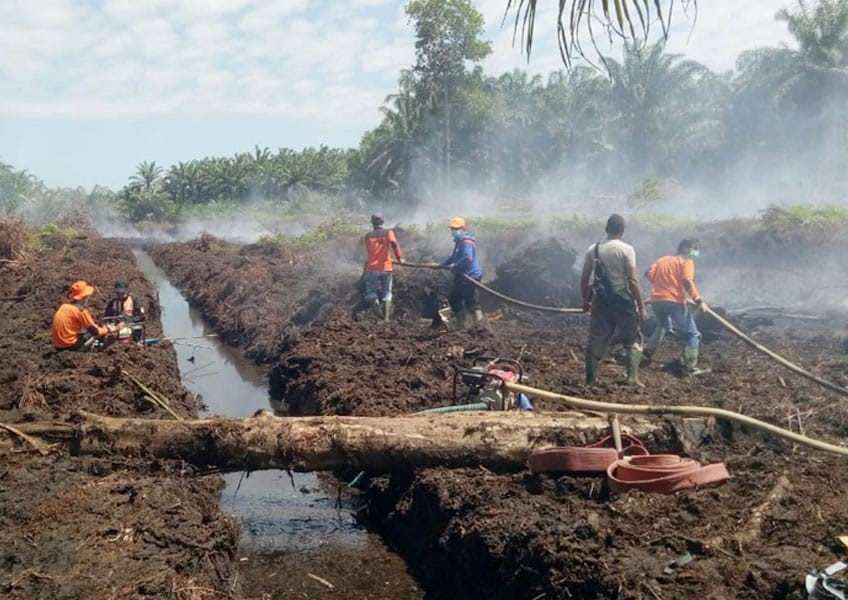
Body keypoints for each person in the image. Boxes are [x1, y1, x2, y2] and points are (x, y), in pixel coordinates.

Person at [580, 214, 648, 386]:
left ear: (606, 229)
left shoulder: (592, 249)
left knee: (596, 338)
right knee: (633, 337)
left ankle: (591, 380)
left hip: (600, 301)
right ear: (622, 231)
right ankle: (632, 378)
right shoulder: (626, 250)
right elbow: (632, 281)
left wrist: (586, 301)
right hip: (622, 301)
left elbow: (585, 279)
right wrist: (641, 307)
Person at [643, 239, 709, 375]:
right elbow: (687, 281)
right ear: (685, 248)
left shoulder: (662, 259)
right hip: (675, 302)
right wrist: (699, 301)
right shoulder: (686, 261)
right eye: (694, 248)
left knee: (662, 325)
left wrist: (661, 286)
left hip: (657, 301)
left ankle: (647, 352)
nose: (696, 252)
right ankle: (691, 367)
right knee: (692, 334)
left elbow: (648, 273)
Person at [439, 217, 484, 328]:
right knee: (471, 300)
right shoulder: (459, 242)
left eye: (455, 228)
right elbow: (453, 257)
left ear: (462, 228)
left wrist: (455, 265)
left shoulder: (466, 242)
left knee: (455, 299)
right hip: (467, 275)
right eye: (452, 228)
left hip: (469, 276)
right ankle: (478, 326)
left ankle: (463, 325)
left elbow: (467, 258)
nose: (453, 231)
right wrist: (441, 265)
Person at [52, 280, 120, 350]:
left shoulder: (63, 307)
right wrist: (109, 329)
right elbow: (95, 332)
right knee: (101, 336)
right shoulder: (81, 310)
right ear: (85, 297)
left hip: (57, 345)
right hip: (70, 345)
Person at [364, 212, 403, 321]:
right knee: (387, 292)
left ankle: (379, 315)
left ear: (372, 223)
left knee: (372, 292)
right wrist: (399, 258)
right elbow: (394, 244)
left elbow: (369, 252)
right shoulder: (388, 233)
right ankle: (386, 318)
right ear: (383, 222)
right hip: (386, 267)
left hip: (372, 268)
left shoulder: (368, 236)